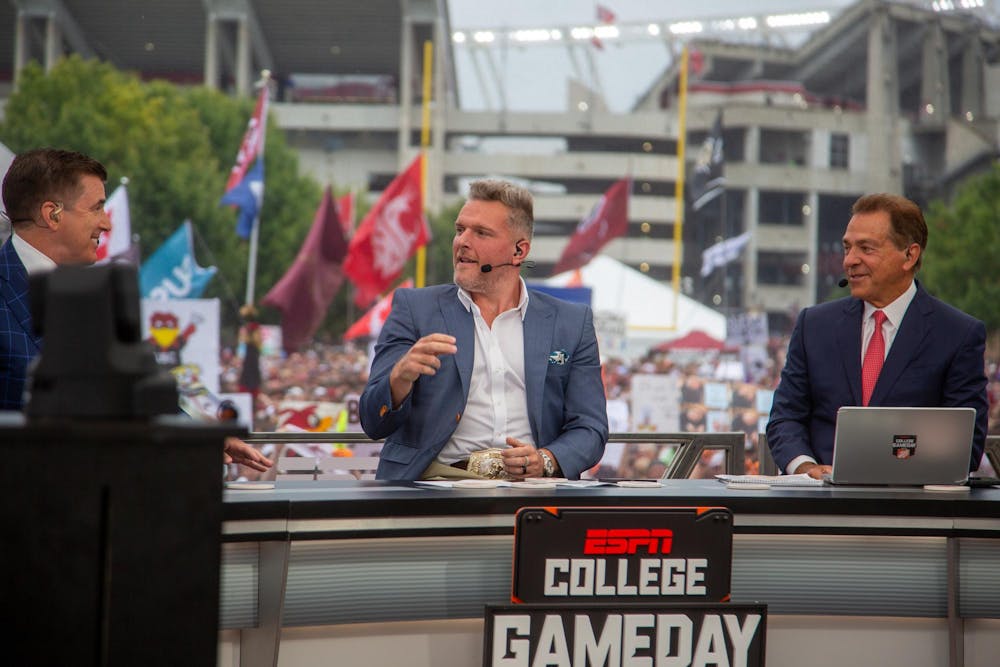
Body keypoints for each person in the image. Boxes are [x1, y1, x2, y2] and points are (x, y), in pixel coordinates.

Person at [0, 148, 271, 472]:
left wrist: (200, 437)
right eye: (96, 208)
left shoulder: (95, 296)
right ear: (52, 214)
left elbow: (125, 395)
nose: (106, 223)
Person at [359, 178, 608, 481]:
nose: (462, 241)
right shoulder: (414, 309)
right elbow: (372, 422)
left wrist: (545, 460)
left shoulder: (571, 322)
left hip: (531, 490)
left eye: (481, 233)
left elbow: (591, 429)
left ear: (519, 251)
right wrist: (398, 379)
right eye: (460, 230)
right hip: (433, 487)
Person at [766, 193, 987, 478]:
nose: (850, 260)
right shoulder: (814, 326)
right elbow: (785, 416)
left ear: (910, 255)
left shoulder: (958, 334)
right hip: (821, 498)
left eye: (866, 248)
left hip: (912, 500)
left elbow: (966, 443)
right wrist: (806, 468)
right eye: (847, 248)